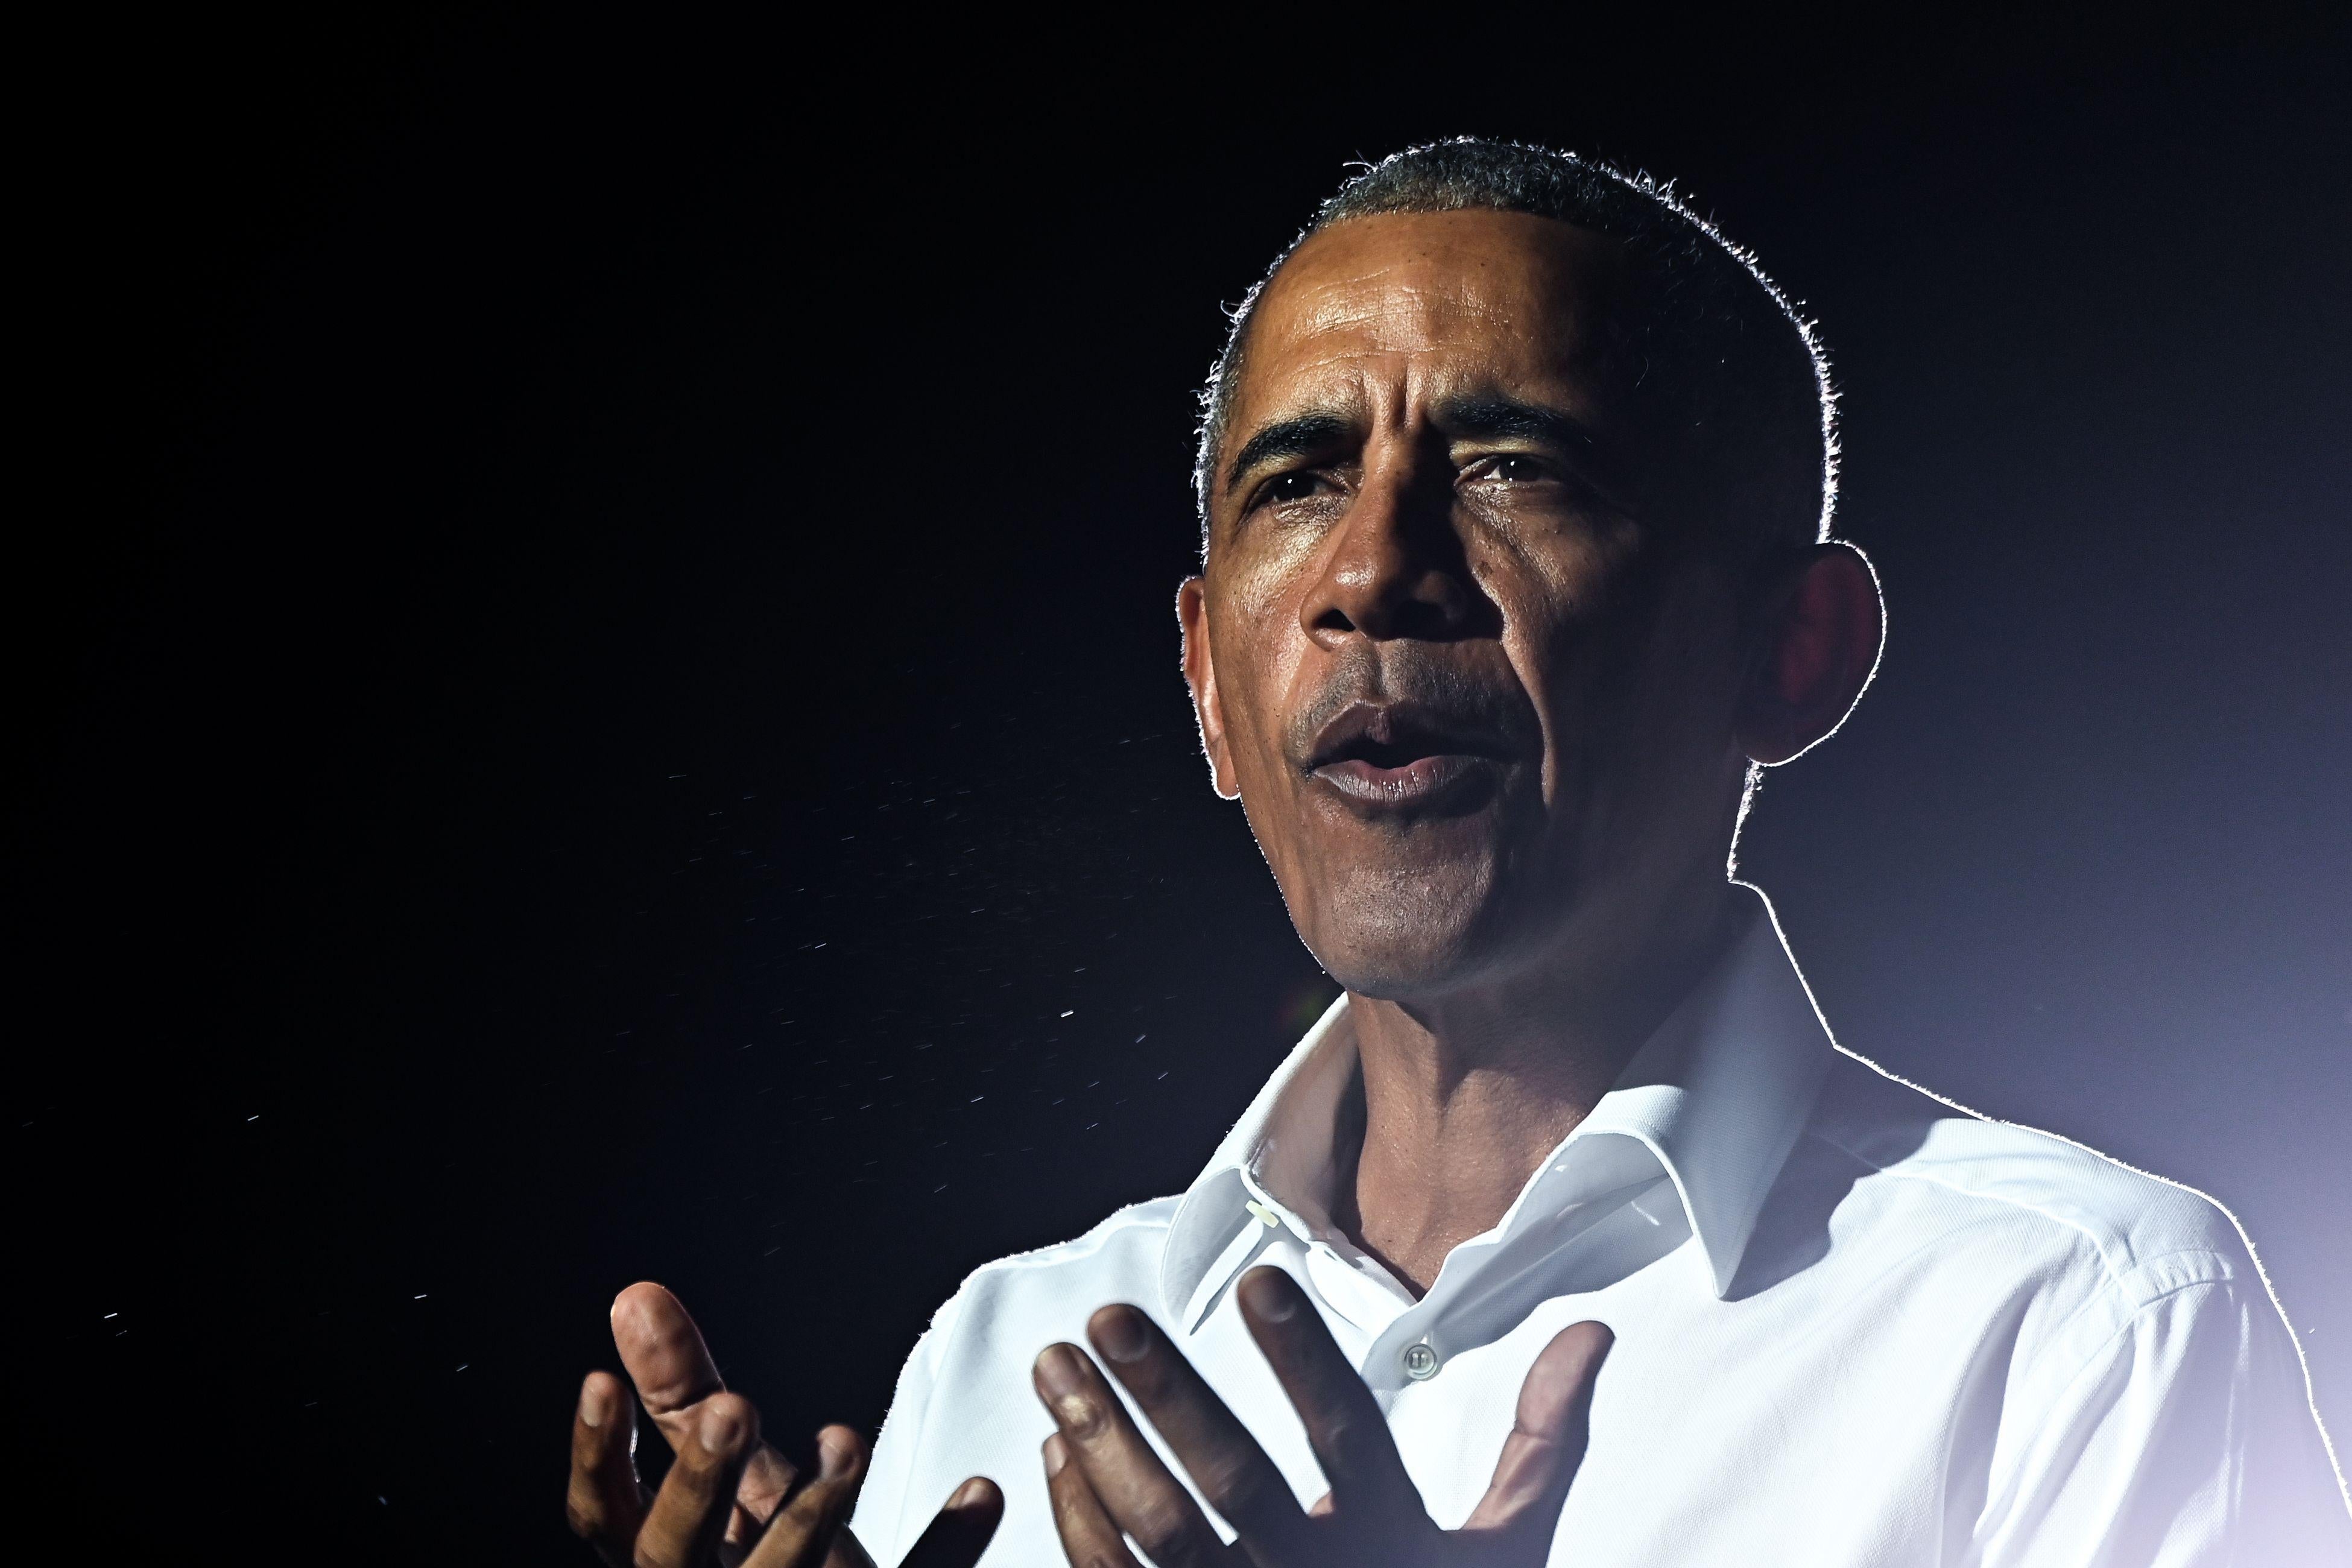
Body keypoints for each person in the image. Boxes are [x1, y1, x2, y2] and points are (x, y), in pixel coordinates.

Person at [563, 140, 2350, 1567]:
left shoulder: (2086, 1327)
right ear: (1209, 687)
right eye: (1295, 485)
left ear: (1791, 652)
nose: (1371, 573)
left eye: (1512, 467)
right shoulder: (1008, 1351)